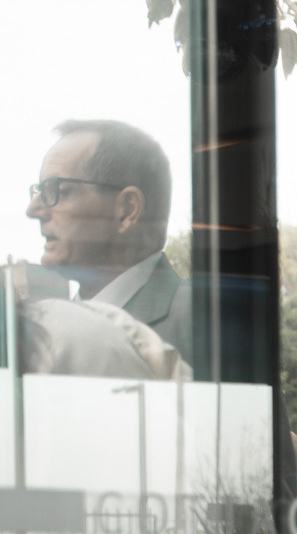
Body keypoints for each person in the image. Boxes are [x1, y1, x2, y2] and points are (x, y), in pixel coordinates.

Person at [26, 121, 192, 363]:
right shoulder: (46, 333)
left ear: (127, 210)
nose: (33, 210)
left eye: (58, 190)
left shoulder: (205, 319)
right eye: (38, 191)